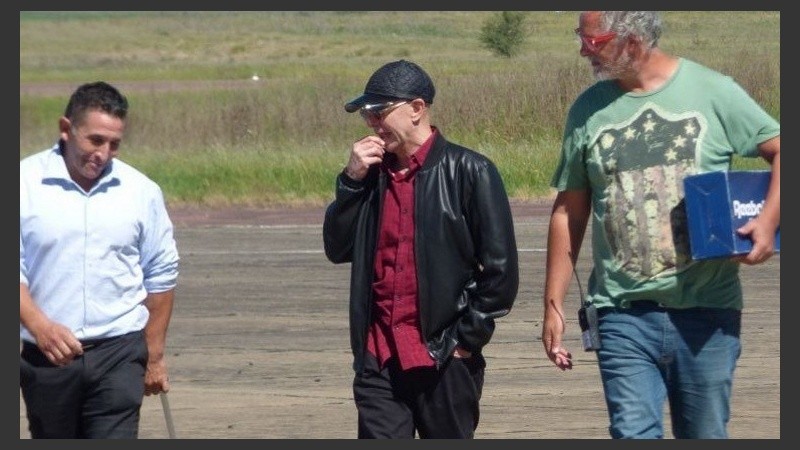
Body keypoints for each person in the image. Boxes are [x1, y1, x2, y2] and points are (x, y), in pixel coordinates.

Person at [540, 11, 780, 439]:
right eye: (581, 37)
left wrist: (768, 221)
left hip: (708, 312)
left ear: (633, 39)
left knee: (704, 433)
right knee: (632, 433)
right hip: (622, 313)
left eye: (594, 41)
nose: (583, 50)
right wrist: (552, 305)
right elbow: (569, 211)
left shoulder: (712, 91)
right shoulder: (588, 110)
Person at [323, 59, 519, 439]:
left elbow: (501, 272)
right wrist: (350, 181)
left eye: (379, 112)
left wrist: (465, 341)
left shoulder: (470, 171)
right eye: (366, 115)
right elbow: (337, 247)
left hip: (443, 359)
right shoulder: (369, 178)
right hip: (378, 358)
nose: (372, 124)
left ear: (416, 109)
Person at [19, 81, 180, 439]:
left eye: (115, 144)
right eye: (95, 140)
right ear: (66, 129)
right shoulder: (22, 184)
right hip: (47, 357)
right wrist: (41, 328)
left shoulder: (142, 192)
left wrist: (154, 356)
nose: (104, 154)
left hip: (119, 354)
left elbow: (161, 274)